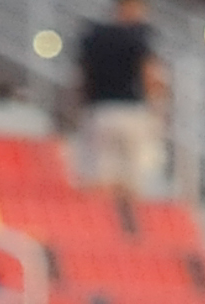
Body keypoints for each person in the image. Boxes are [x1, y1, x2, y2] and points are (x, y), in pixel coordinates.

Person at [75, 0, 164, 198]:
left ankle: (100, 224)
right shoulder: (140, 36)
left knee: (98, 178)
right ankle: (121, 227)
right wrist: (156, 109)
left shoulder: (94, 34)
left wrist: (80, 108)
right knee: (132, 181)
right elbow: (150, 75)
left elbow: (82, 77)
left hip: (99, 111)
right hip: (132, 112)